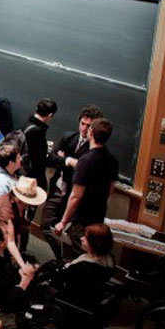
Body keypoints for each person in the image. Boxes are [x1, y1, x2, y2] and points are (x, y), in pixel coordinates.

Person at [41, 105, 103, 258]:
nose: (84, 128)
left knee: (69, 234)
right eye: (82, 123)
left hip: (74, 197)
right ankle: (61, 257)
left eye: (89, 126)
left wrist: (63, 159)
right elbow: (51, 159)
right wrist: (68, 161)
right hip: (57, 190)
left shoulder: (94, 150)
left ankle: (66, 260)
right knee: (45, 226)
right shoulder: (68, 137)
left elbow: (85, 171)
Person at [53, 118, 118, 256]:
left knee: (77, 255)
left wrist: (63, 222)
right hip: (98, 217)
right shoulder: (113, 161)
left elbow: (76, 196)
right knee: (91, 255)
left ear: (91, 133)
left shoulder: (85, 161)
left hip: (82, 220)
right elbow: (111, 189)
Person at [0, 177, 46, 267]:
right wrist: (22, 265)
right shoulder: (6, 209)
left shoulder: (16, 202)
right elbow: (10, 240)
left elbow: (15, 232)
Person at [51, 223, 115, 310]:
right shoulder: (109, 259)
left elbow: (61, 279)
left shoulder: (84, 268)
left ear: (95, 244)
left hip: (74, 301)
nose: (81, 238)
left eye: (86, 237)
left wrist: (65, 267)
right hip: (92, 293)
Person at [22, 98, 57, 189]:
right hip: (31, 179)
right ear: (50, 115)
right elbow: (38, 162)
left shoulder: (28, 123)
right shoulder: (38, 132)